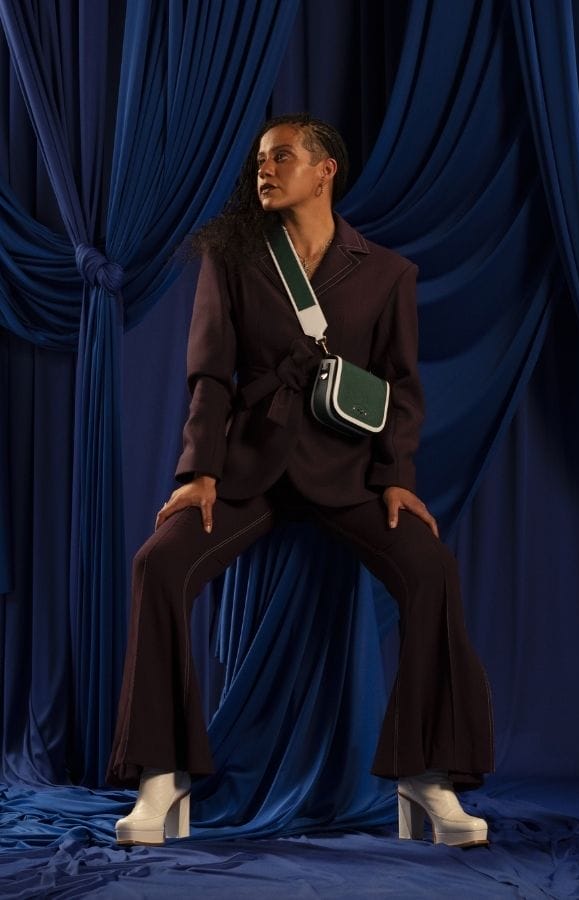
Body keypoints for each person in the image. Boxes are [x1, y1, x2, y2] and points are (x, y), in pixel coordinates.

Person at [107, 114, 494, 848]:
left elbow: (400, 389)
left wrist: (395, 478)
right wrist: (200, 472)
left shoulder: (387, 273)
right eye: (260, 159)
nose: (264, 169)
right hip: (249, 470)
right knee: (157, 564)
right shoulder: (232, 257)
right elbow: (209, 377)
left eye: (281, 157)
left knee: (432, 570)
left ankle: (428, 777)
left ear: (325, 171)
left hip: (348, 474)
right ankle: (161, 776)